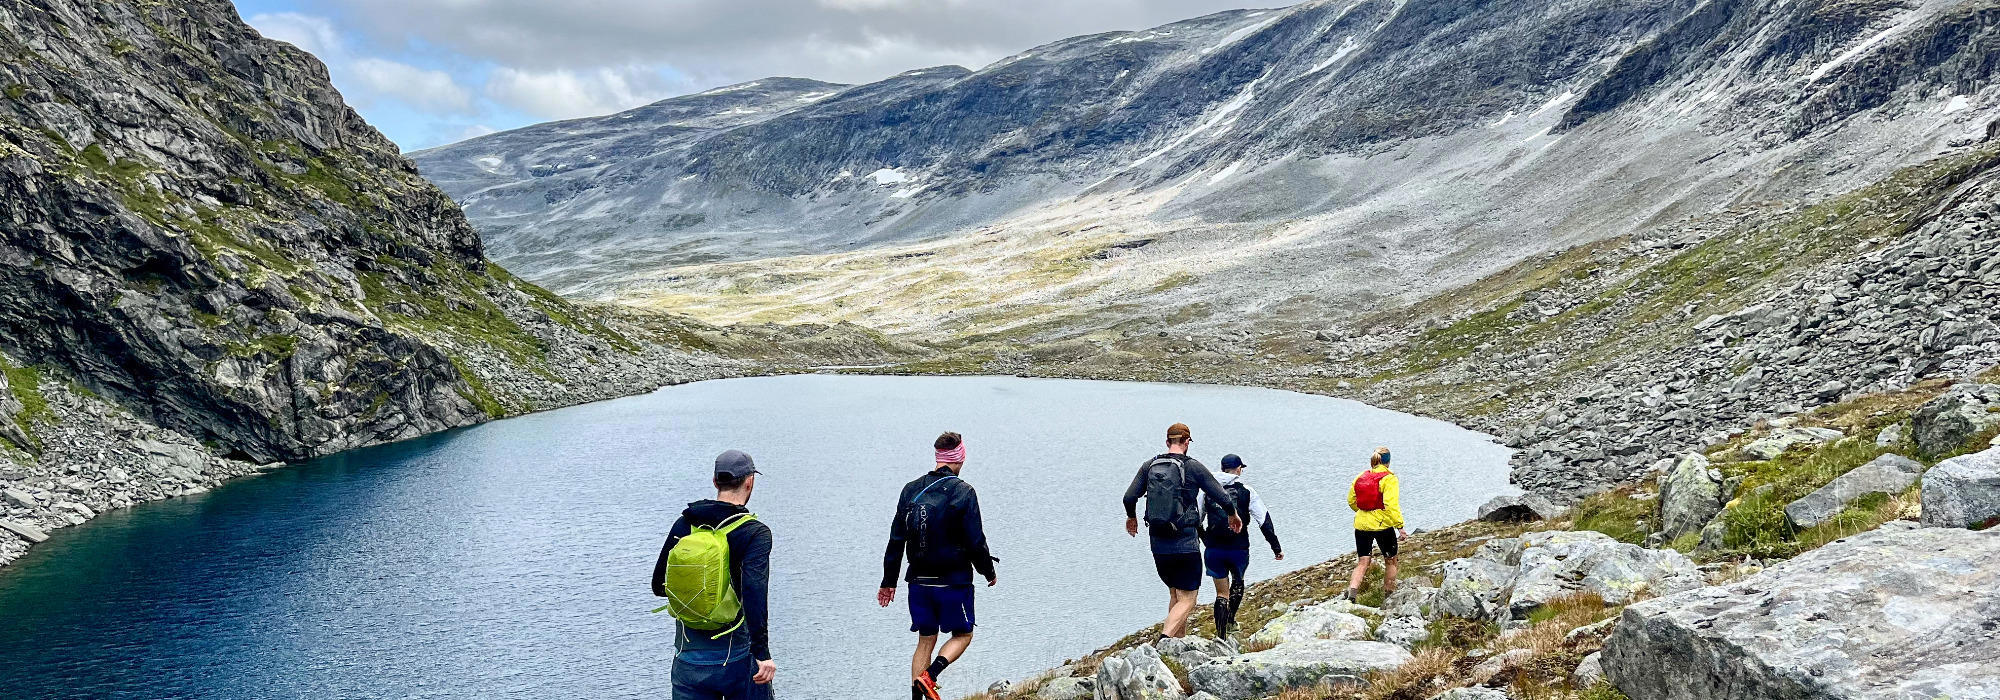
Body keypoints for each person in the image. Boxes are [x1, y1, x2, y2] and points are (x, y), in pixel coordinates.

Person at [878, 432, 997, 700]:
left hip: (918, 582)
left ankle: (917, 696)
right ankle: (930, 676)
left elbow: (896, 539)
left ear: (938, 457)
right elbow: (975, 541)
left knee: (925, 639)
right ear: (961, 457)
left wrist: (889, 581)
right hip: (953, 582)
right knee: (963, 635)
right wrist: (987, 571)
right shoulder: (964, 492)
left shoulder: (910, 489)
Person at [651, 449, 776, 700]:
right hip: (737, 660)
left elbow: (658, 585)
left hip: (688, 662)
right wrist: (762, 653)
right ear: (750, 481)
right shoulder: (754, 532)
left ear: (715, 482)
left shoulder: (685, 523)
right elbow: (754, 593)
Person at [1124, 422, 1243, 639]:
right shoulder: (1193, 467)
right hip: (1185, 542)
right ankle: (1164, 640)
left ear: (1167, 442)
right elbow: (1220, 495)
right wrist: (1232, 514)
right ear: (1187, 442)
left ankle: (1177, 644)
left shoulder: (1149, 465)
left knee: (1175, 594)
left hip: (1158, 542)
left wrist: (1131, 517)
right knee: (1188, 598)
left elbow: (1129, 497)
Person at [1200, 454, 1282, 638]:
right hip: (1239, 548)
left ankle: (1221, 635)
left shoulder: (1208, 492)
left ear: (1222, 469)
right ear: (1238, 470)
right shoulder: (1247, 491)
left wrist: (1206, 541)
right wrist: (1276, 547)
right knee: (1237, 583)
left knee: (1221, 593)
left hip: (1214, 550)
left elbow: (1197, 520)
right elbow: (1264, 521)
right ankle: (1230, 621)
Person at [1344, 447, 1406, 601]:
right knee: (1391, 560)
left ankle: (1352, 593)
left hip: (1361, 525)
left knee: (1363, 561)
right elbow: (1391, 505)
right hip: (1382, 526)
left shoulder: (1360, 476)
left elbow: (1351, 500)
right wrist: (1400, 526)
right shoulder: (1389, 478)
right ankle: (1389, 595)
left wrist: (1363, 511)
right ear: (1388, 462)